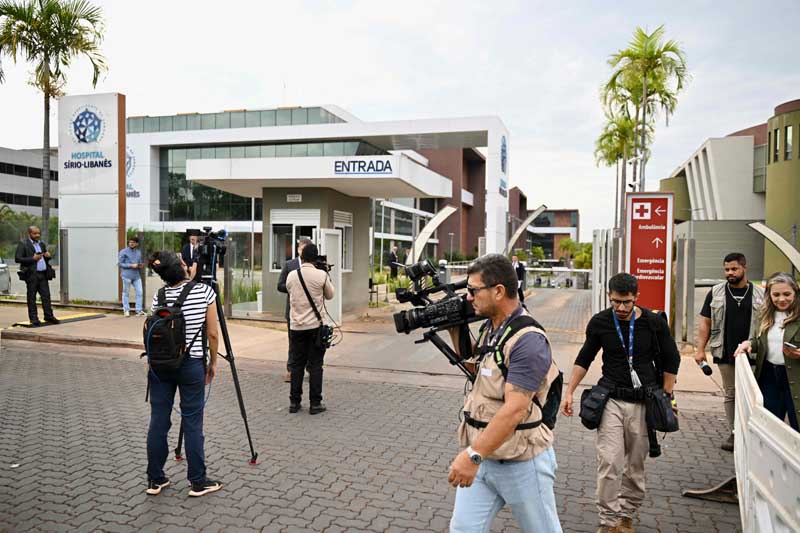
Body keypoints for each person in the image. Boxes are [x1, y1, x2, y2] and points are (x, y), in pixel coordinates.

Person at [447, 254, 562, 533]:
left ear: (498, 291)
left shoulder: (528, 340)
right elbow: (479, 367)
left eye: (473, 291)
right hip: (485, 455)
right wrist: (453, 326)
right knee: (463, 530)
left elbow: (515, 409)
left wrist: (472, 455)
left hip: (521, 461)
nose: (469, 298)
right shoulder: (493, 327)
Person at [561, 273, 680, 533]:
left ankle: (626, 515)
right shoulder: (601, 322)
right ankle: (608, 521)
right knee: (610, 462)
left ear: (637, 297)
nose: (621, 308)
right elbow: (585, 357)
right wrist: (569, 391)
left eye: (626, 302)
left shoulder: (652, 323)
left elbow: (672, 359)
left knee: (635, 465)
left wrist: (667, 396)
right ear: (609, 297)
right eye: (616, 302)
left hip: (643, 403)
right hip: (611, 400)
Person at [145, 251, 222, 497]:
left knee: (158, 420)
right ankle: (198, 481)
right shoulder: (204, 292)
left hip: (160, 365)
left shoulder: (159, 295)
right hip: (190, 364)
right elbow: (212, 333)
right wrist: (212, 362)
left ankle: (155, 479)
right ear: (182, 266)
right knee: (192, 421)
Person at [694, 252, 764, 451]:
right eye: (726, 269)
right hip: (724, 351)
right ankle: (735, 433)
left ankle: (751, 432)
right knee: (731, 393)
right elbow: (705, 322)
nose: (730, 273)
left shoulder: (759, 293)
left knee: (753, 394)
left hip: (753, 354)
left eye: (734, 269)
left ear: (744, 268)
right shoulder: (715, 292)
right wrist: (700, 349)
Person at [735, 272, 800, 432]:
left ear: (795, 293)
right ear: (769, 295)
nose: (781, 299)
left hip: (795, 378)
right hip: (769, 376)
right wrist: (748, 344)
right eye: (776, 294)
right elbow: (761, 342)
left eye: (787, 294)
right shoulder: (764, 315)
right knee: (769, 428)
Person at [285, 243, 334, 414]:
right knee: (315, 365)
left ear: (302, 257)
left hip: (296, 326)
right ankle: (315, 403)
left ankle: (294, 402)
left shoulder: (292, 275)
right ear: (315, 258)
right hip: (315, 327)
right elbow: (330, 295)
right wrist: (326, 273)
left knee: (297, 365)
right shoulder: (321, 275)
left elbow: (289, 291)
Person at [277, 238, 311, 382]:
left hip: (310, 312)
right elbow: (280, 285)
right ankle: (291, 371)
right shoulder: (290, 265)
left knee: (310, 343)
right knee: (293, 343)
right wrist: (293, 289)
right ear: (298, 250)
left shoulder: (314, 266)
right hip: (293, 311)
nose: (303, 252)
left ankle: (309, 370)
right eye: (301, 249)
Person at [15, 225, 58, 326]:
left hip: (43, 274)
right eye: (35, 233)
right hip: (31, 275)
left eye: (38, 233)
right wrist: (32, 258)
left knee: (46, 296)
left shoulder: (41, 244)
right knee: (32, 297)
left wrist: (48, 256)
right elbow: (17, 258)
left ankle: (49, 316)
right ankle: (33, 318)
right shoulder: (23, 244)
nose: (37, 235)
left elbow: (44, 258)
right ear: (29, 234)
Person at [118, 236, 145, 317]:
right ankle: (126, 310)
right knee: (126, 293)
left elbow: (139, 262)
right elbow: (120, 264)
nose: (131, 244)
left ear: (137, 244)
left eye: (133, 242)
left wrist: (140, 265)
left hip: (136, 276)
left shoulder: (138, 252)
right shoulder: (123, 251)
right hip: (126, 276)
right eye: (130, 242)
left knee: (140, 292)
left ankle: (138, 311)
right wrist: (131, 265)